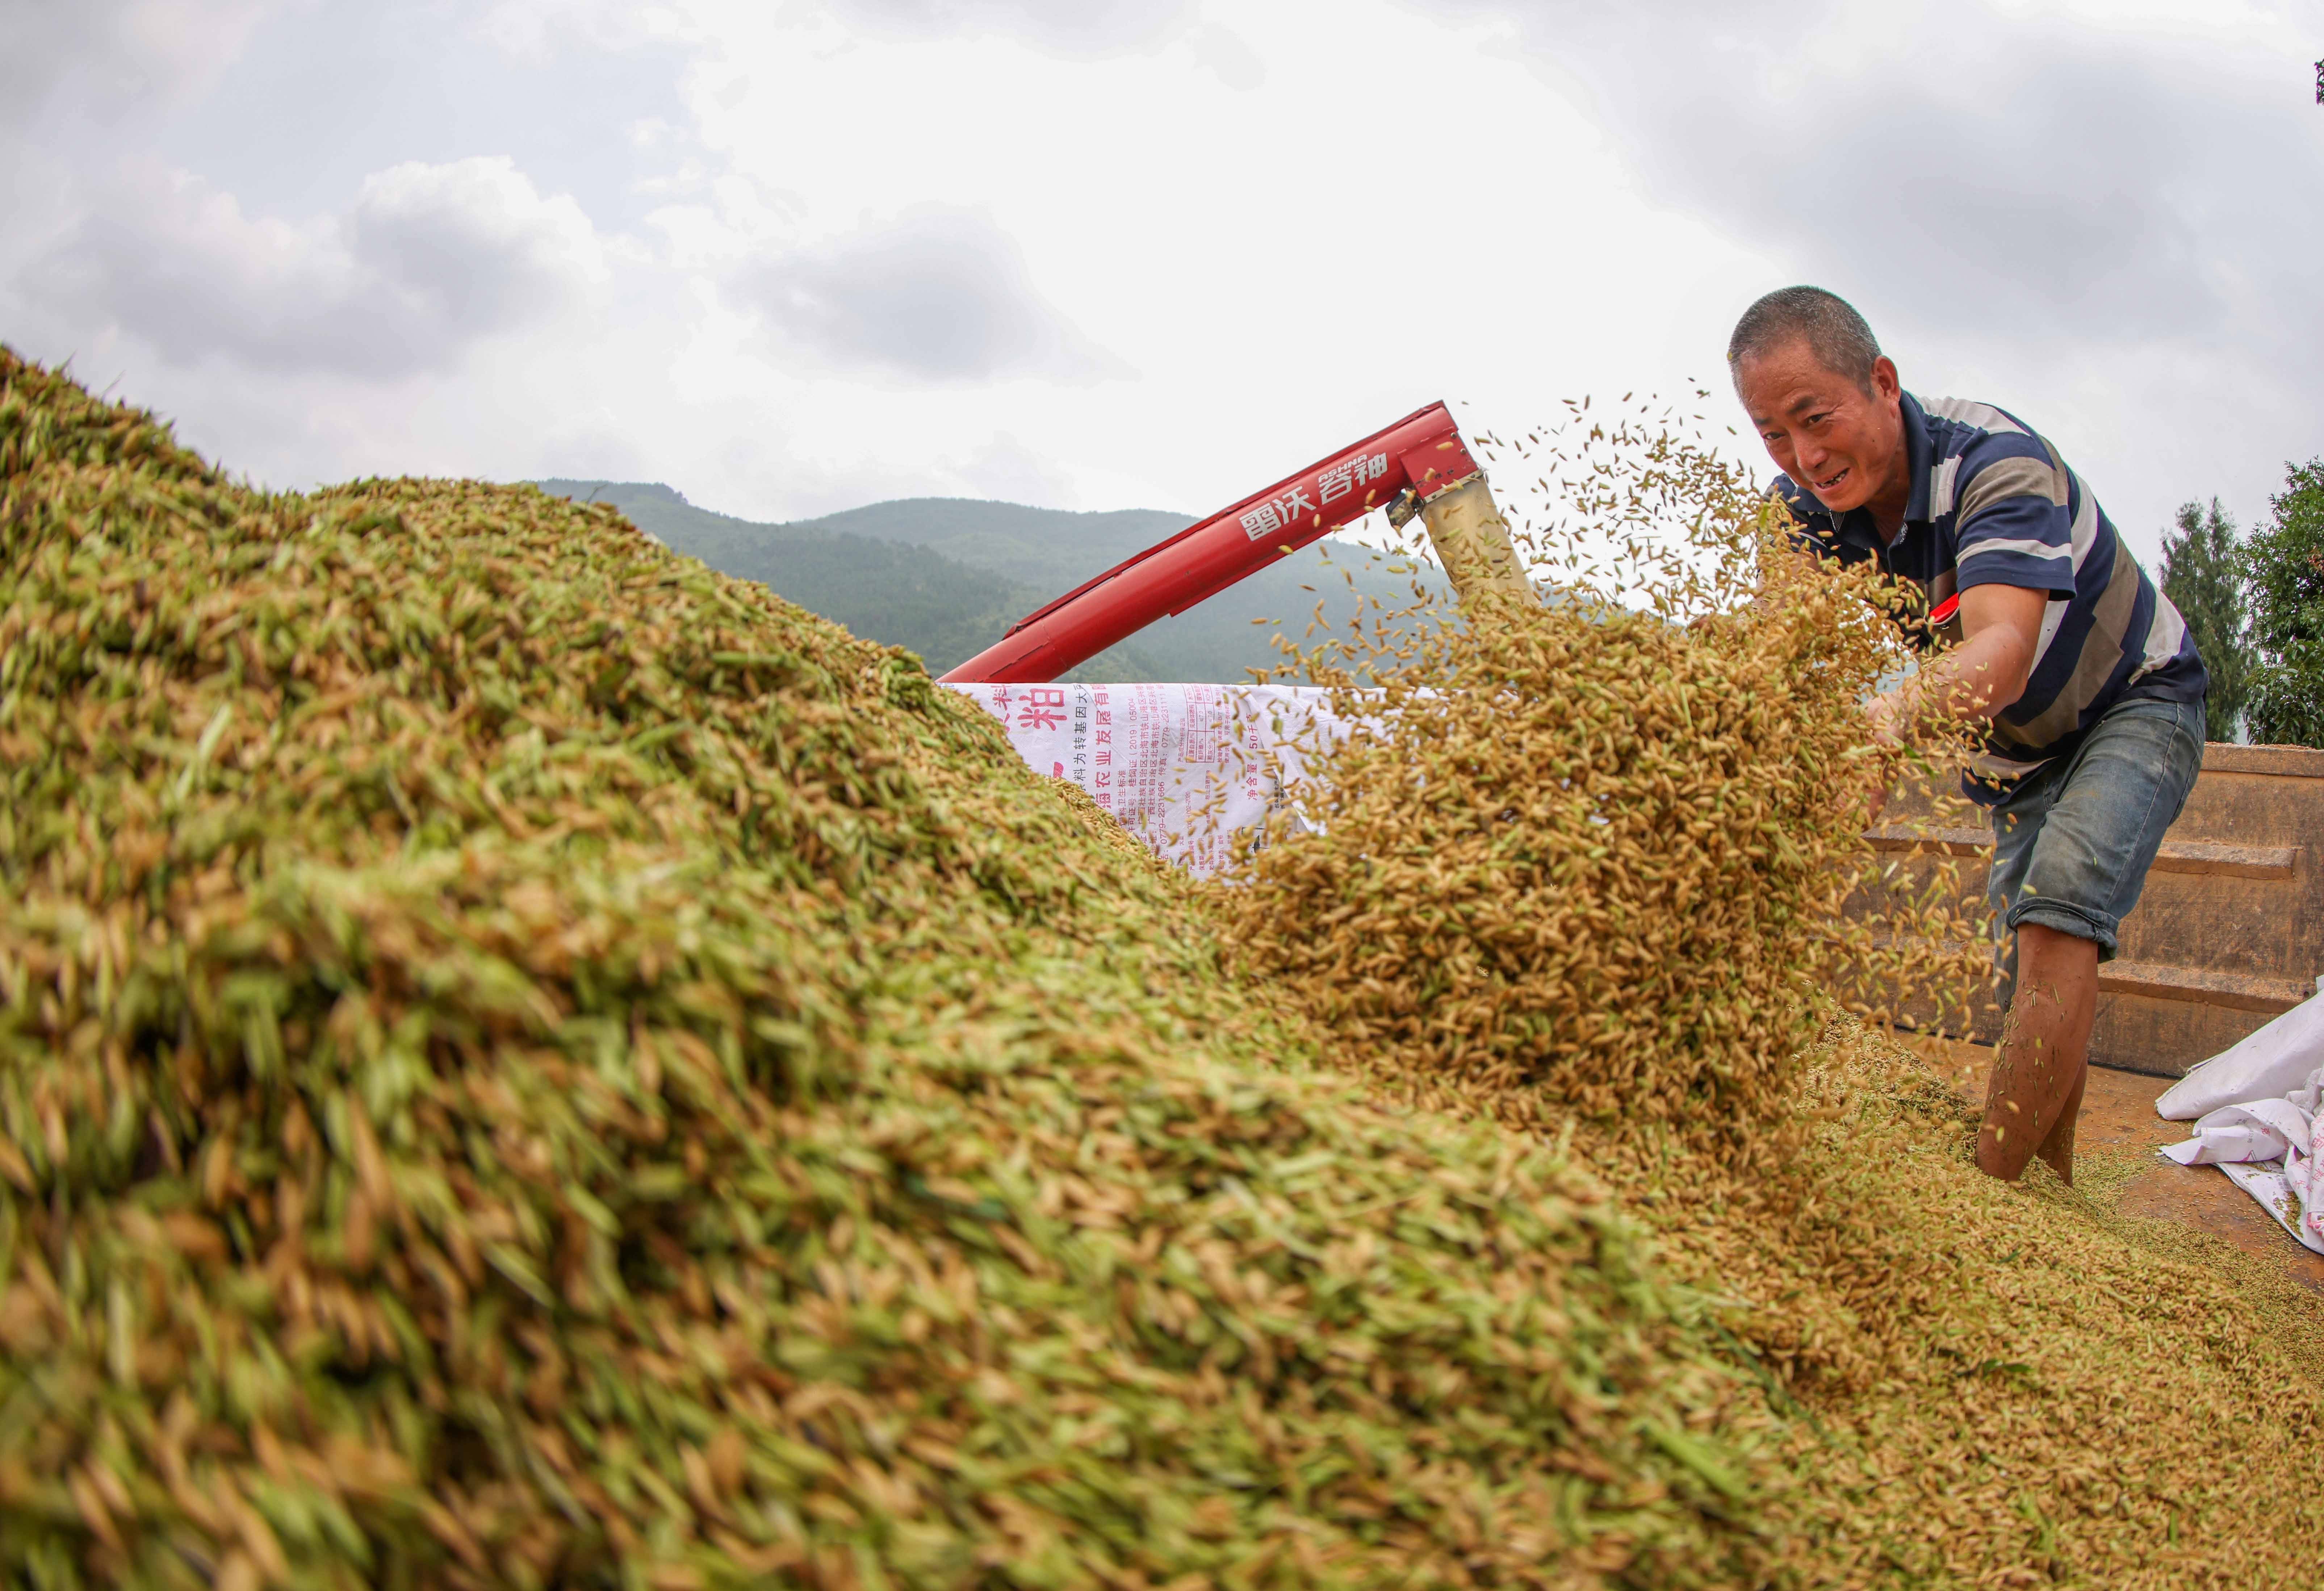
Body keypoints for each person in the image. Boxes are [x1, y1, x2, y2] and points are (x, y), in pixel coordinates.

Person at [1728, 286, 2208, 1185]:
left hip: (2133, 700)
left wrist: (1883, 727)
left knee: (2059, 907)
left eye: (1814, 418)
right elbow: (1782, 660)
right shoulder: (1796, 511)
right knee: (2022, 969)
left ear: (1879, 381)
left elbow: (2001, 652)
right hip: (2015, 755)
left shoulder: (1992, 462)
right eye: (1772, 435)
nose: (1804, 456)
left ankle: (1995, 1196)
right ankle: (2054, 1192)